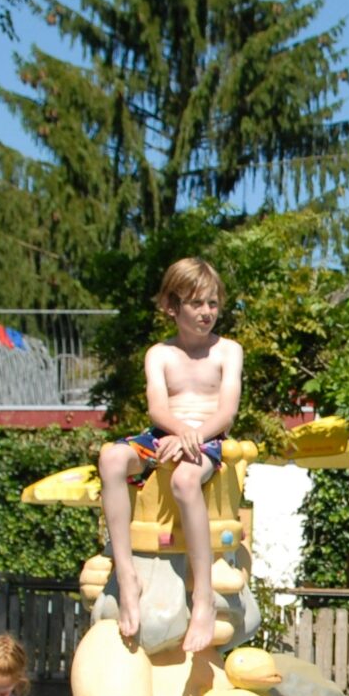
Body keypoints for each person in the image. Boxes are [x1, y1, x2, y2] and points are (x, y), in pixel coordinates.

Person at [98, 257, 241, 657]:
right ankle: (127, 574)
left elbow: (227, 412)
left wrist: (192, 436)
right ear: (172, 307)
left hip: (208, 438)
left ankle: (203, 598)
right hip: (165, 433)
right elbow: (158, 409)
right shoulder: (159, 354)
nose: (207, 312)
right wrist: (177, 433)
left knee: (184, 479)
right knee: (111, 459)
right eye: (196, 303)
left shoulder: (228, 351)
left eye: (213, 303)